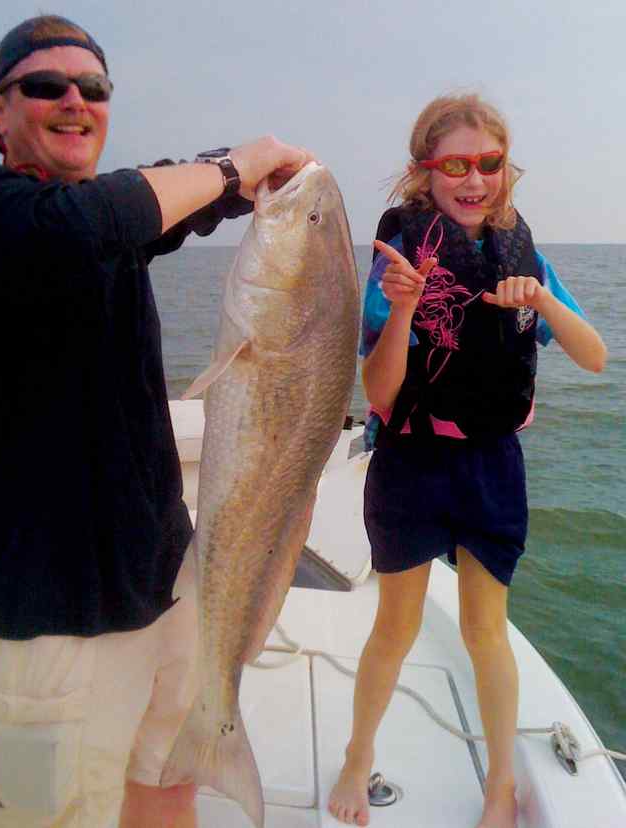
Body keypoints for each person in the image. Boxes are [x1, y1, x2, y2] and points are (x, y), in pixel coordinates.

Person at [0, 14, 315, 828]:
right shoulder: (10, 219)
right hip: (49, 630)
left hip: (165, 592)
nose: (74, 101)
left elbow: (150, 210)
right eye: (45, 86)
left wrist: (253, 191)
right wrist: (232, 164)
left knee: (167, 787)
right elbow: (97, 222)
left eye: (92, 89)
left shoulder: (106, 226)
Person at [328, 93, 607, 828]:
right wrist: (408, 311)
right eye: (456, 164)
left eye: (488, 163)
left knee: (488, 629)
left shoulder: (525, 253)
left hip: (491, 465)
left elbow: (597, 357)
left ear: (504, 169)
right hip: (411, 461)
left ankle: (499, 788)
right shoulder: (399, 260)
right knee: (396, 626)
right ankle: (358, 758)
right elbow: (381, 393)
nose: (474, 178)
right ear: (426, 172)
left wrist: (542, 299)